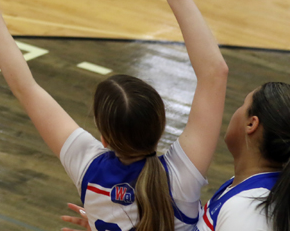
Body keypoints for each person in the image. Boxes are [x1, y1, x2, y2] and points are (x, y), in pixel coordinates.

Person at [0, 0, 228, 231]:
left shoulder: (90, 169)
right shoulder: (180, 177)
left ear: (104, 137)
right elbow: (214, 73)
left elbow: (26, 88)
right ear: (160, 122)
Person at [61, 83, 290, 231]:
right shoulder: (245, 188)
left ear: (251, 124)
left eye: (243, 104)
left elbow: (215, 71)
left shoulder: (249, 210)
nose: (236, 111)